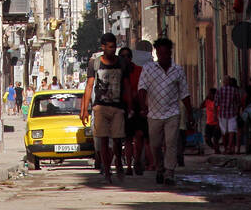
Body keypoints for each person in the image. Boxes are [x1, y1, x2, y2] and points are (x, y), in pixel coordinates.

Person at [137, 37, 192, 186]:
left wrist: (190, 113)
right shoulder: (148, 69)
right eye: (160, 54)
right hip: (154, 114)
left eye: (166, 54)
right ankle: (159, 168)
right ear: (156, 53)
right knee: (155, 145)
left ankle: (169, 173)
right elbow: (142, 89)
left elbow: (184, 93)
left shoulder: (178, 70)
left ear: (170, 53)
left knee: (171, 143)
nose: (163, 57)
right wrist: (143, 107)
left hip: (172, 113)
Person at [81, 33, 132, 183]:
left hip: (117, 107)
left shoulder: (122, 63)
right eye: (109, 47)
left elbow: (127, 86)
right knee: (102, 139)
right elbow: (89, 86)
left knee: (117, 140)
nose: (112, 49)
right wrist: (84, 110)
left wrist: (129, 106)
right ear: (103, 47)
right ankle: (107, 169)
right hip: (100, 107)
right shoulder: (95, 64)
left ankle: (118, 164)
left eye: (114, 46)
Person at [119, 46, 146, 175]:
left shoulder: (139, 71)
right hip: (123, 106)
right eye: (122, 56)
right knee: (128, 138)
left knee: (139, 135)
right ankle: (129, 165)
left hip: (138, 106)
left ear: (131, 58)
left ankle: (138, 161)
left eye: (127, 56)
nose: (125, 59)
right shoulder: (117, 72)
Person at [215, 77, 241, 155]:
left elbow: (216, 104)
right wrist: (237, 111)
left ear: (223, 82)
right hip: (232, 113)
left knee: (224, 132)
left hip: (222, 114)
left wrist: (215, 114)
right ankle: (229, 147)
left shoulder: (219, 90)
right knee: (231, 131)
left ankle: (226, 147)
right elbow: (238, 102)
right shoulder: (234, 90)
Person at [202, 87, 221, 152]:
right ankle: (214, 147)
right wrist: (205, 98)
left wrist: (218, 124)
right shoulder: (207, 101)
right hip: (209, 123)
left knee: (216, 138)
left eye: (210, 94)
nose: (208, 95)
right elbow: (200, 106)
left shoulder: (218, 102)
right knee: (207, 139)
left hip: (216, 123)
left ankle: (217, 149)